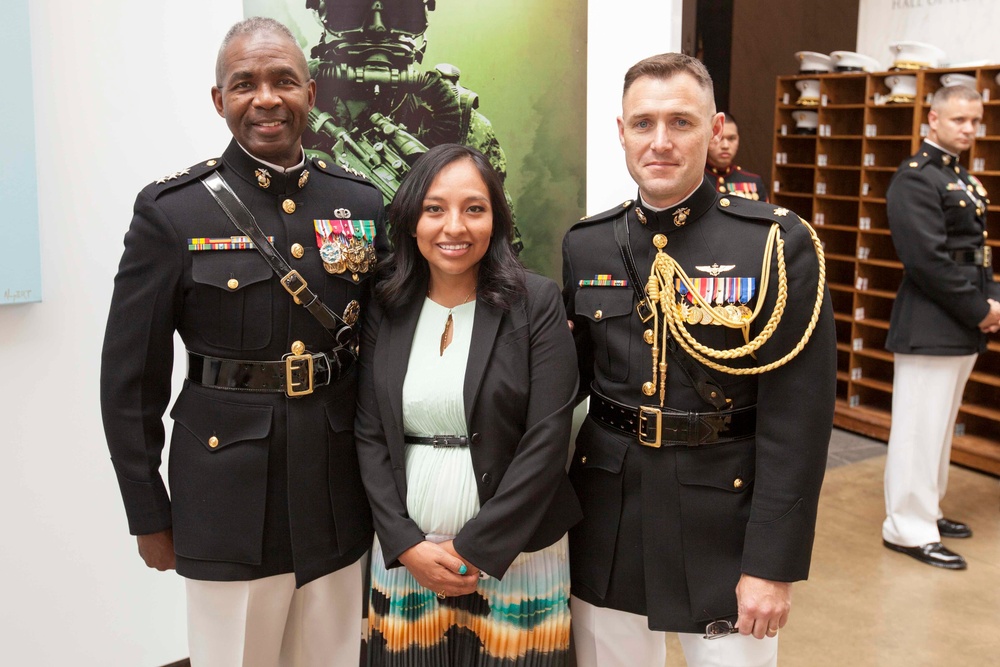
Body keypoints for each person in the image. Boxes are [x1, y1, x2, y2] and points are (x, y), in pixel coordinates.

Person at [101, 17, 386, 666]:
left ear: (310, 94)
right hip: (227, 496)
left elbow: (387, 340)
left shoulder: (360, 203)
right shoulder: (173, 213)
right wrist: (146, 511)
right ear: (219, 100)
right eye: (244, 83)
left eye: (284, 81)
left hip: (337, 494)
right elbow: (129, 381)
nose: (266, 98)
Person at [562, 53, 836, 666]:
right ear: (622, 132)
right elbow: (564, 386)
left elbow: (800, 421)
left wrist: (772, 565)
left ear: (714, 132)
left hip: (724, 524)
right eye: (643, 123)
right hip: (611, 517)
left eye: (680, 122)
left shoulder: (774, 244)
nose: (659, 141)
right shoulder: (587, 243)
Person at [355, 143, 581, 666]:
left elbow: (547, 440)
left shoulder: (537, 303)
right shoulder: (385, 306)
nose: (453, 226)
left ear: (496, 221)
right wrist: (404, 544)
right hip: (408, 558)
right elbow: (368, 431)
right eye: (435, 209)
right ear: (412, 220)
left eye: (473, 209)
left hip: (517, 554)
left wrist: (476, 548)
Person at [881, 83, 1000, 570]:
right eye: (959, 120)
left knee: (940, 429)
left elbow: (977, 251)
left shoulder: (962, 178)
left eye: (976, 121)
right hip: (932, 320)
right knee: (917, 429)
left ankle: (927, 509)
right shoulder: (915, 179)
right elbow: (926, 261)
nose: (970, 129)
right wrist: (979, 308)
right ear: (933, 119)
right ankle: (906, 527)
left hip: (960, 318)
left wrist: (992, 297)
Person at [706, 112, 769, 201]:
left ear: (738, 139)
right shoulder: (694, 180)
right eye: (719, 138)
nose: (725, 146)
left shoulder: (753, 182)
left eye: (731, 138)